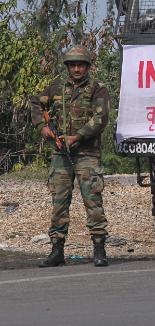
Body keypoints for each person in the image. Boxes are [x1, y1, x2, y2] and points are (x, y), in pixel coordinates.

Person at [31, 45, 111, 267]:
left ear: (87, 67)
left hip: (87, 152)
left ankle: (99, 248)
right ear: (68, 67)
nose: (77, 69)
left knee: (92, 200)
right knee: (59, 201)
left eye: (81, 65)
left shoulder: (98, 88)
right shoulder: (56, 87)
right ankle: (57, 250)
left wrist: (78, 136)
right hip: (61, 153)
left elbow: (101, 118)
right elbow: (36, 103)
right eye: (73, 65)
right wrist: (42, 128)